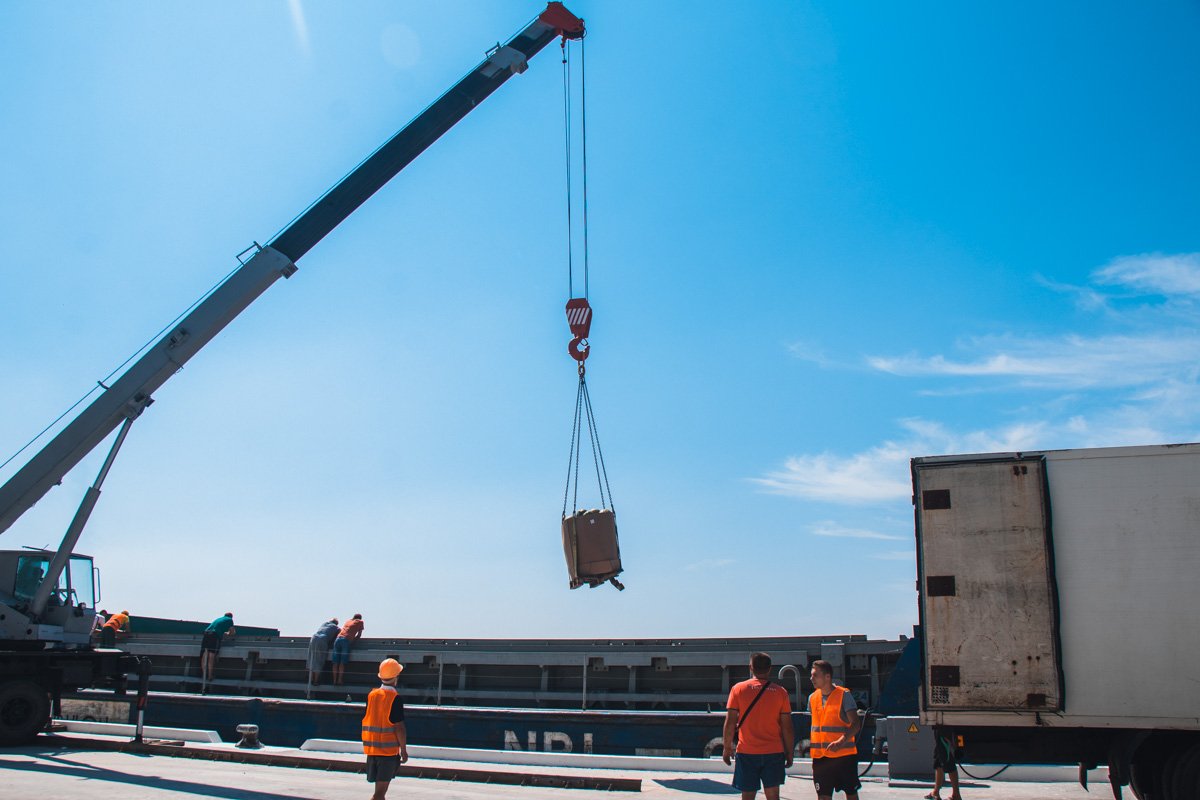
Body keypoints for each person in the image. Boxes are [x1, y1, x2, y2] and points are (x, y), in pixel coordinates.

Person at [722, 652, 794, 800]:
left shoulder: (738, 689)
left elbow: (730, 723)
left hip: (747, 752)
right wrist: (789, 752)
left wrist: (727, 747)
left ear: (751, 667)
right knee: (773, 796)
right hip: (774, 752)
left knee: (748, 796)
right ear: (770, 668)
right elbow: (787, 727)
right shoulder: (781, 692)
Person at [808, 659, 862, 800]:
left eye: (815, 675)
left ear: (827, 677)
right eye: (811, 675)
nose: (811, 678)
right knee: (823, 796)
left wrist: (840, 742)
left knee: (851, 794)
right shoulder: (812, 698)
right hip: (820, 758)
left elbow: (856, 724)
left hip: (844, 757)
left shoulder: (844, 695)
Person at [362, 657, 408, 800]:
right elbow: (399, 728)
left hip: (372, 751)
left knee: (379, 793)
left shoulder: (372, 695)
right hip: (387, 753)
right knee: (379, 794)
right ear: (396, 676)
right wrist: (403, 750)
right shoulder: (395, 698)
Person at [926, 726, 962, 800]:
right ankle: (936, 792)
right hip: (939, 729)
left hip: (944, 731)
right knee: (939, 761)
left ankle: (956, 795)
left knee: (948, 761)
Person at [200, 612, 235, 686]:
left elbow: (216, 627)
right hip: (214, 636)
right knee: (211, 655)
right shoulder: (230, 620)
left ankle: (204, 675)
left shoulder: (219, 619)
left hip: (206, 633)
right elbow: (232, 632)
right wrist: (227, 633)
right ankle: (210, 676)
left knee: (205, 654)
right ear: (231, 617)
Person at [332, 613, 364, 686]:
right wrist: (352, 642)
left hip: (337, 639)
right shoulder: (360, 622)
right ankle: (339, 681)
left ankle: (334, 681)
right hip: (346, 640)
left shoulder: (348, 621)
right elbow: (359, 635)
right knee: (342, 662)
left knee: (335, 662)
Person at [307, 617, 340, 687]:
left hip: (314, 638)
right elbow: (336, 638)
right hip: (322, 640)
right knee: (319, 660)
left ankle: (311, 679)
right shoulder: (337, 628)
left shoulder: (324, 624)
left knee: (312, 658)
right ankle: (315, 681)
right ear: (336, 623)